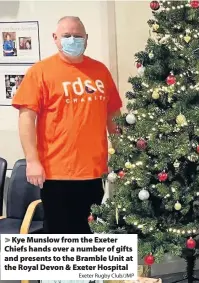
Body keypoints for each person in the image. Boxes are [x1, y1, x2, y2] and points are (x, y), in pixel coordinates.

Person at [11, 16, 122, 234]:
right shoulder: (40, 72)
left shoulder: (100, 71)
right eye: (67, 36)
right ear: (55, 38)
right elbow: (26, 118)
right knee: (60, 237)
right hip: (57, 173)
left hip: (94, 171)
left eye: (78, 36)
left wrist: (122, 154)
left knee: (89, 234)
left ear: (86, 39)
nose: (73, 40)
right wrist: (32, 161)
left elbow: (113, 115)